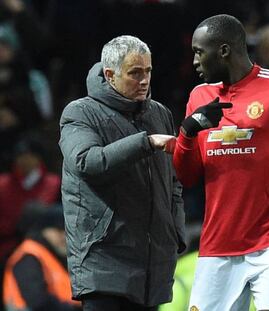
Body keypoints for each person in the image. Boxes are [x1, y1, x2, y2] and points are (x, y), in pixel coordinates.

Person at [173, 14, 269, 311]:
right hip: (217, 245)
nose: (193, 62)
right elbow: (188, 176)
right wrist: (187, 133)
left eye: (198, 52)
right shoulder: (199, 97)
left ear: (224, 51)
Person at [59, 35, 185, 311]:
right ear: (110, 75)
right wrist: (146, 142)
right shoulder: (80, 113)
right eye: (135, 73)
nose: (144, 80)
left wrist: (176, 231)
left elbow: (173, 182)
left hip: (153, 267)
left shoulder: (160, 113)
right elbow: (87, 162)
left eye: (148, 71)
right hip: (105, 262)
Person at [3, 204, 81, 311]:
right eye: (59, 230)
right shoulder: (29, 256)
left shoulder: (53, 255)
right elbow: (37, 301)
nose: (64, 236)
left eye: (68, 232)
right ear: (44, 229)